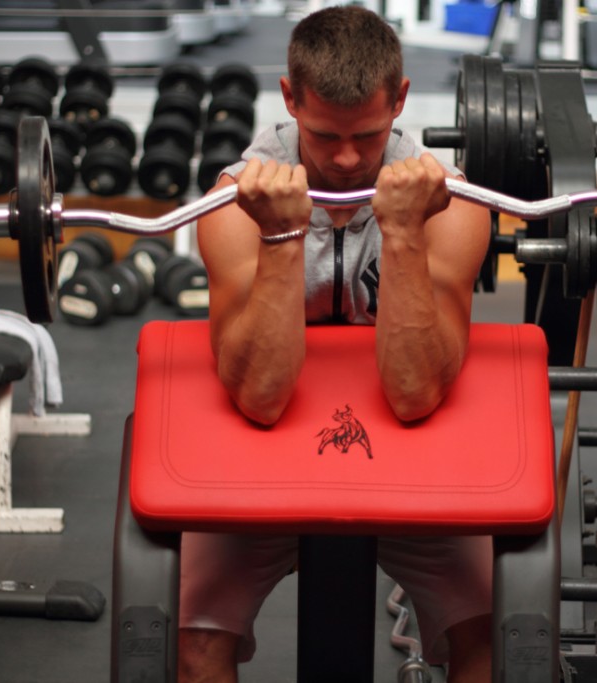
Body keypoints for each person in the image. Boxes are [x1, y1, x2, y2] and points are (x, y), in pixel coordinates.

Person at [188, 6, 493, 682]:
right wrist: (279, 236)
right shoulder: (233, 205)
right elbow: (261, 398)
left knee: (493, 638)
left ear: (402, 101)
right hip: (260, 462)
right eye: (325, 135)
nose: (349, 157)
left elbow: (415, 394)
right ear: (289, 97)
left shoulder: (454, 205)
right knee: (189, 645)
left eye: (370, 134)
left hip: (416, 460)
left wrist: (407, 232)